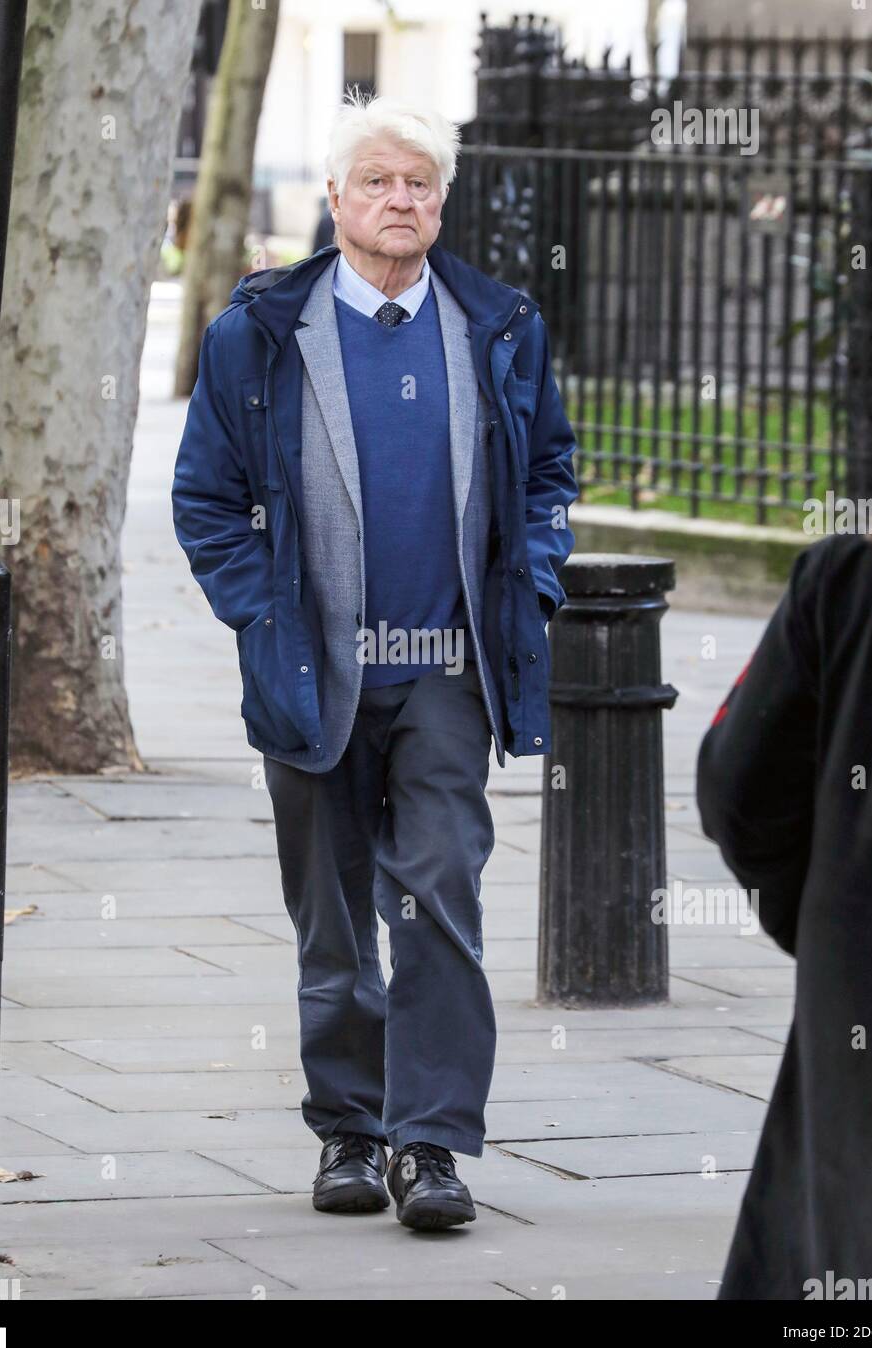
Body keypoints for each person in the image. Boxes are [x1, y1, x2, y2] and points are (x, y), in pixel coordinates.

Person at [172, 92, 577, 1230]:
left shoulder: (497, 325)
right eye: (380, 182)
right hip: (314, 671)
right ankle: (349, 1131)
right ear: (337, 200)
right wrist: (261, 617)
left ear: (440, 201)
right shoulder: (259, 331)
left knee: (440, 888)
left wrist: (533, 577)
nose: (402, 201)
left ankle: (433, 1145)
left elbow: (548, 473)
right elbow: (204, 500)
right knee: (334, 916)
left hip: (447, 667)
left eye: (421, 184)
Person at [697, 314, 872, 1298]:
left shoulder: (849, 579)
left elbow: (737, 782)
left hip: (871, 967)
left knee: (861, 1239)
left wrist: (816, 904)